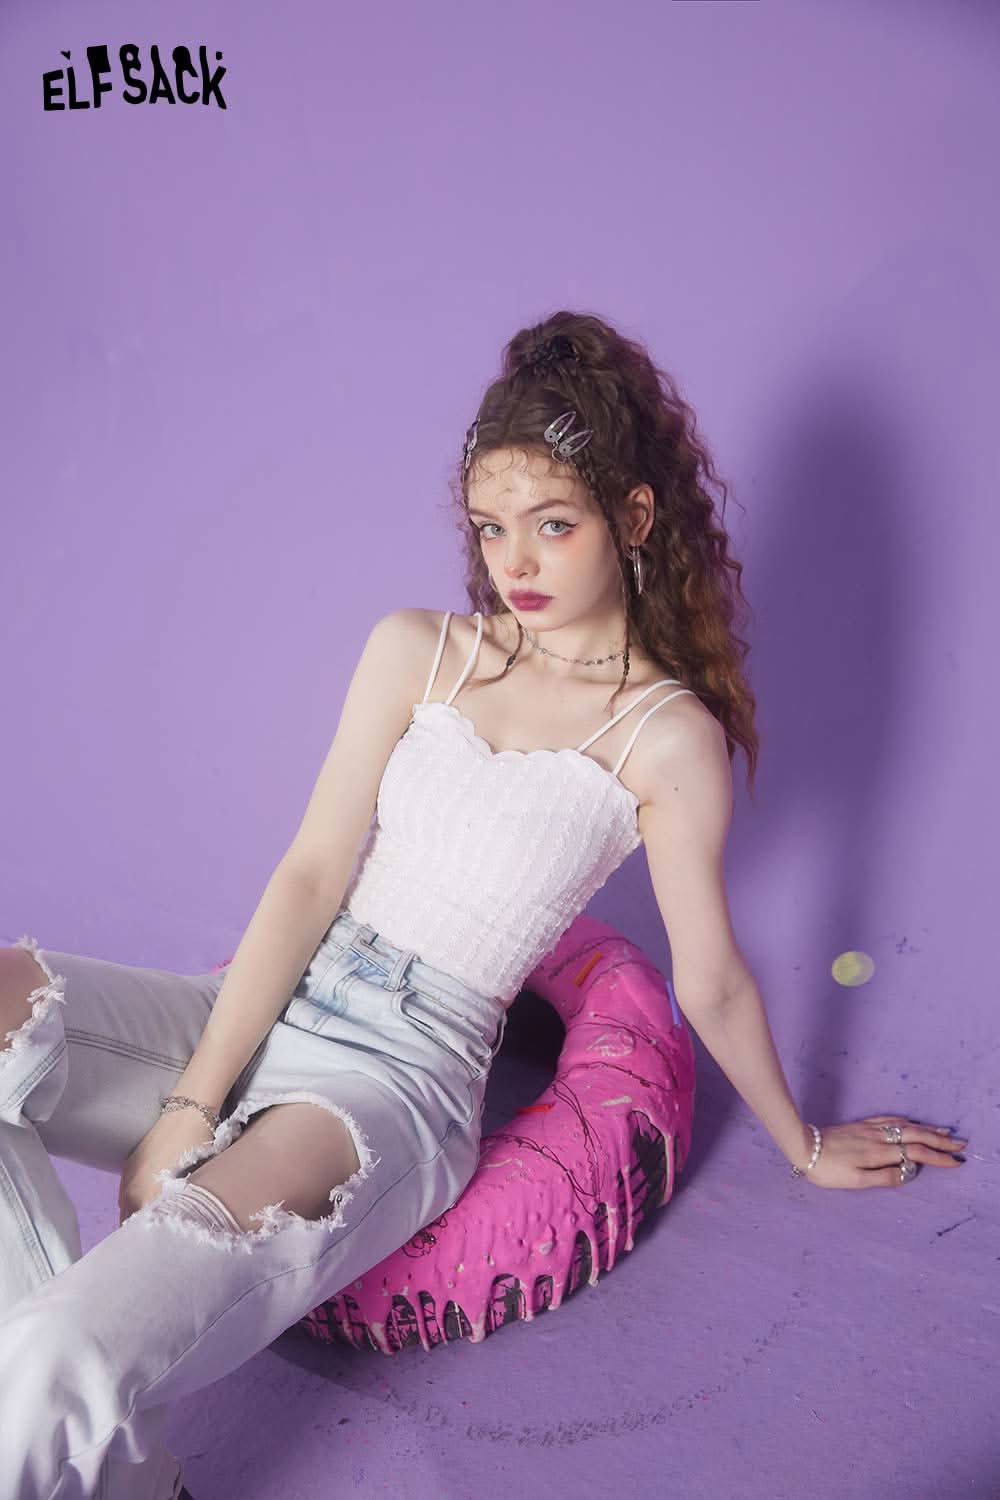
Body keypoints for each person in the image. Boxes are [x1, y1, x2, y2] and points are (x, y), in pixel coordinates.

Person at [0, 311, 967, 1499]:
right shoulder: (418, 648)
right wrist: (192, 1103)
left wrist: (803, 1144)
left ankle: (54, 1408)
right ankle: (103, 1458)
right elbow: (310, 873)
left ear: (634, 517)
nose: (517, 561)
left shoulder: (665, 738)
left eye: (553, 525)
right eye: (492, 526)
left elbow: (710, 977)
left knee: (59, 1346)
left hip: (393, 1078)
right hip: (267, 999)